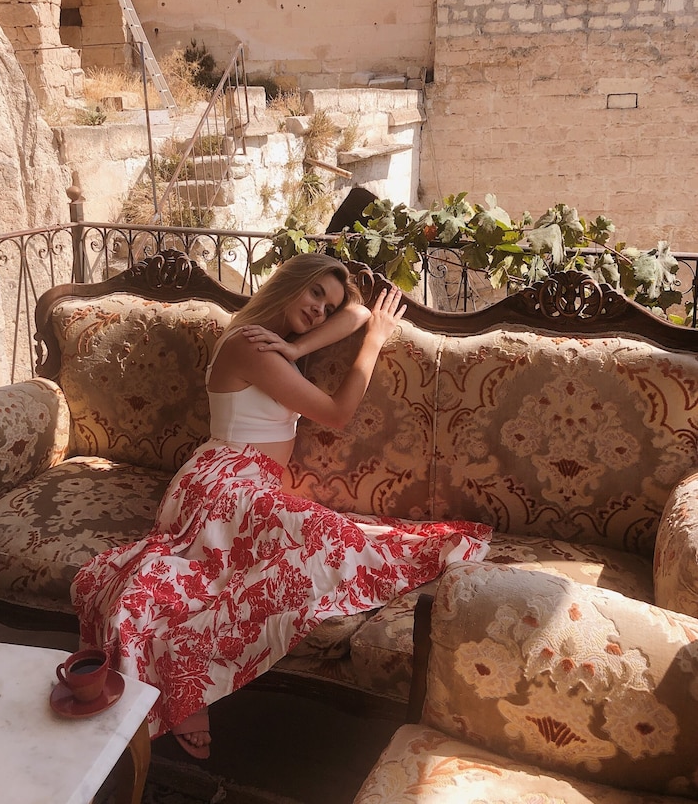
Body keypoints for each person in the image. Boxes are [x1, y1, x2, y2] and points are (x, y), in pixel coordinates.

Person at [71, 254, 491, 759]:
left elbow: (357, 312)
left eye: (327, 305)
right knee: (319, 544)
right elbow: (337, 413)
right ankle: (184, 681)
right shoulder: (250, 344)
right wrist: (374, 342)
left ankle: (184, 674)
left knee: (280, 562)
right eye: (314, 293)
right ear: (290, 283)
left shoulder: (273, 345)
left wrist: (299, 345)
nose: (320, 310)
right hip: (226, 481)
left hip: (243, 480)